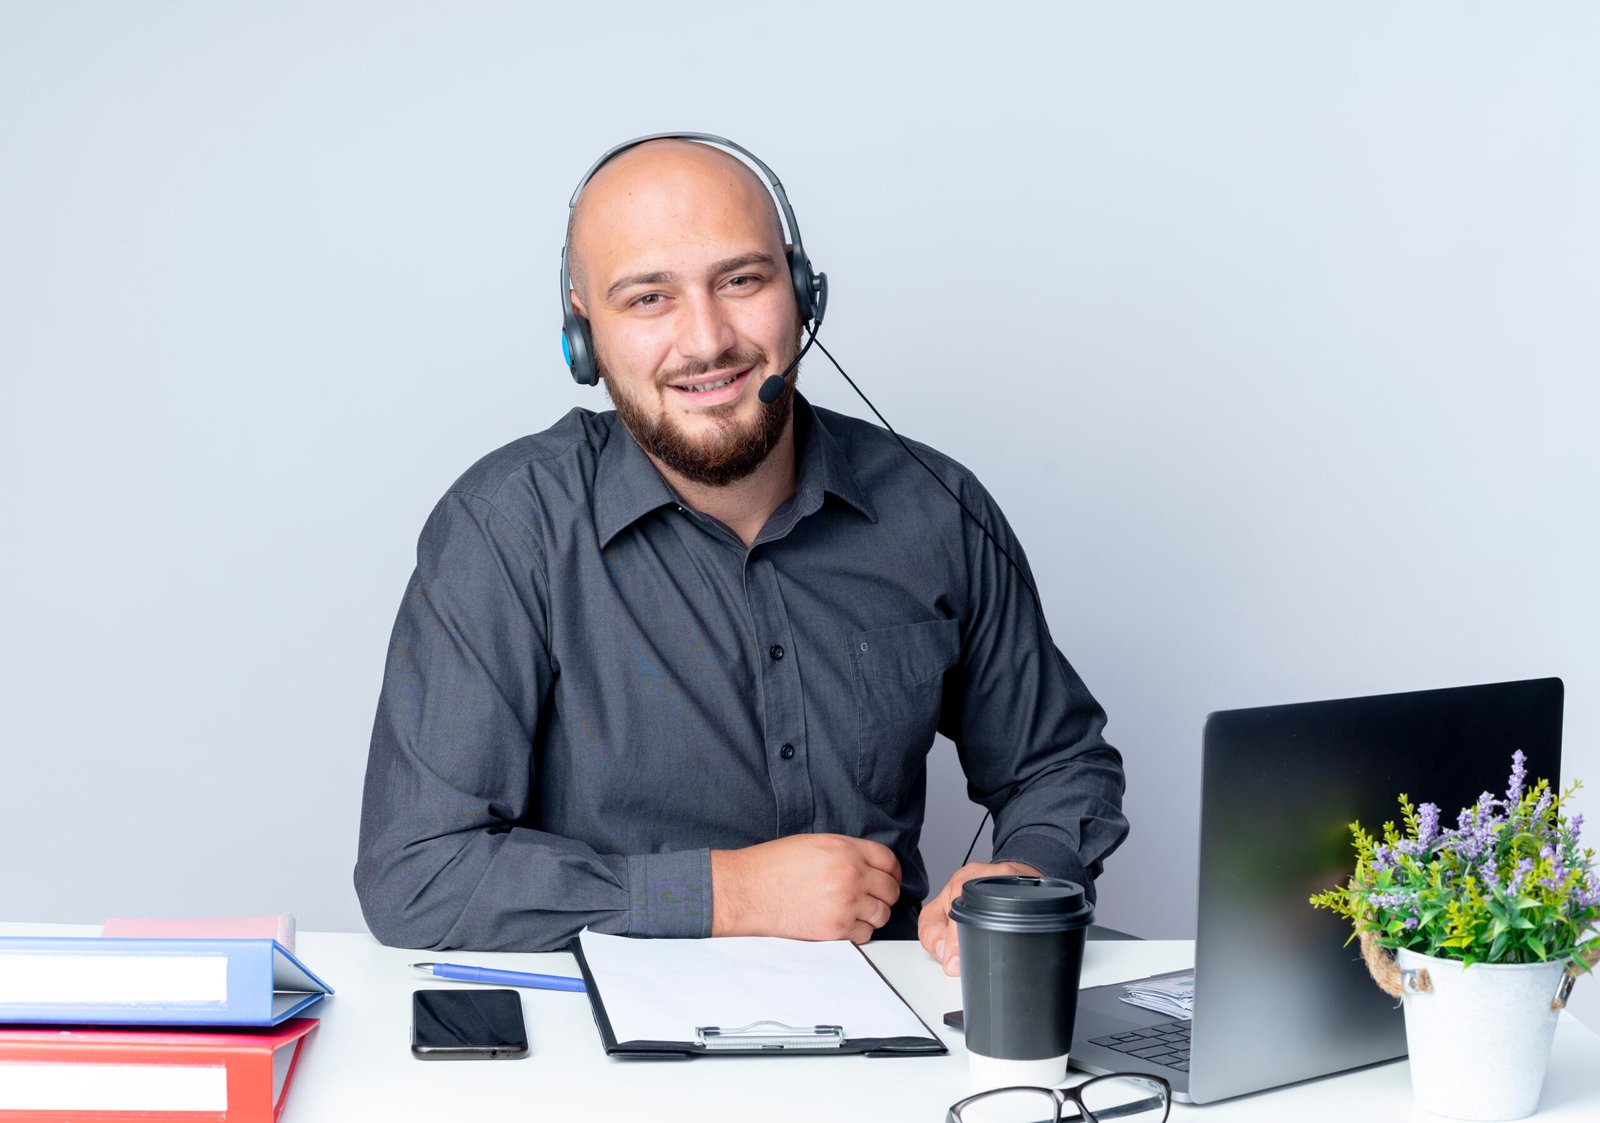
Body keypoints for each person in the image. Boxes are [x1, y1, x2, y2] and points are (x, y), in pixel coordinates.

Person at [354, 134, 1128, 974]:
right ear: (584, 334)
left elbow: (1059, 761)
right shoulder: (504, 528)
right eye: (649, 298)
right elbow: (417, 873)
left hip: (895, 1038)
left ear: (802, 291)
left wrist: (1024, 874)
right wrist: (730, 893)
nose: (707, 340)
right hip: (608, 1058)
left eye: (741, 280)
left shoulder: (935, 506)